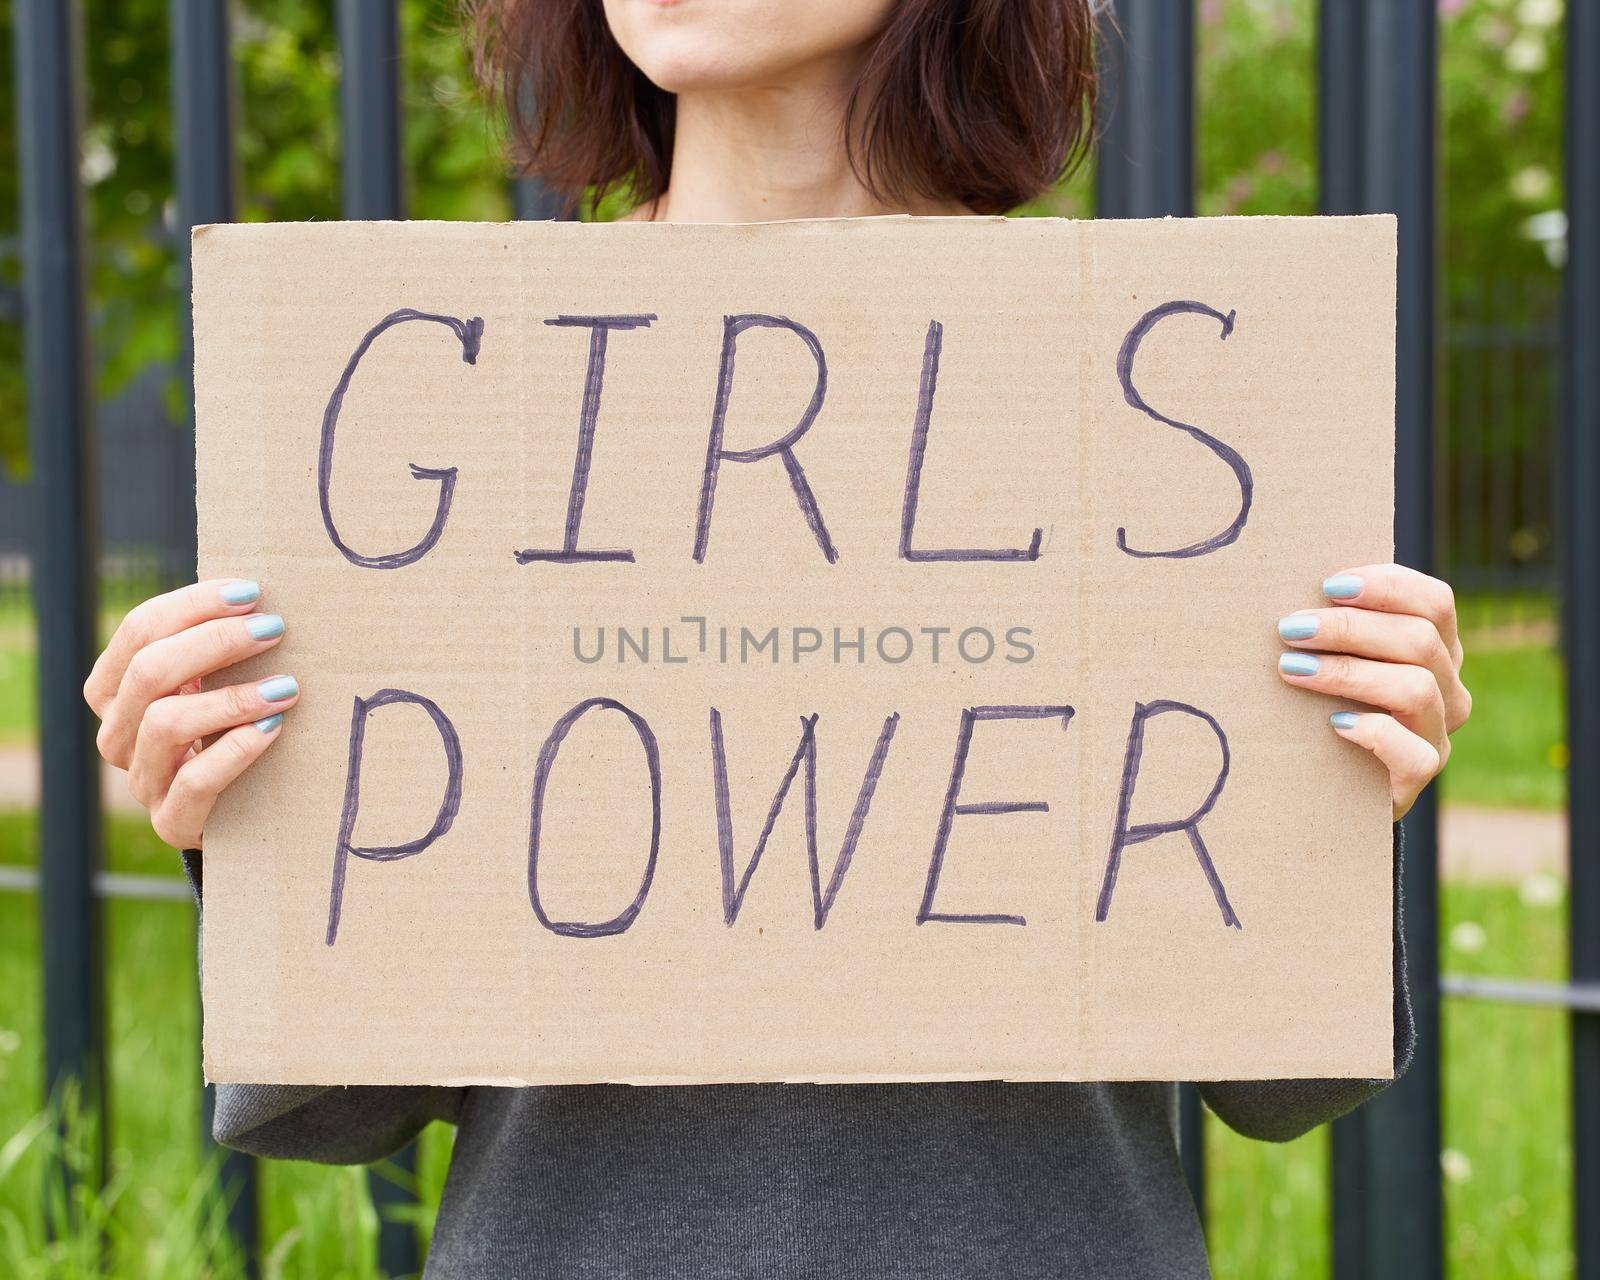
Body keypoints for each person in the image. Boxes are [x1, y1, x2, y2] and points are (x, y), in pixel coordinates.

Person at [83, 1, 1473, 1275]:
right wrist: (243, 816)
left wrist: (1350, 779)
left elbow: (1287, 1084)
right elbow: (336, 1109)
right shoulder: (453, 388)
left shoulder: (1155, 381)